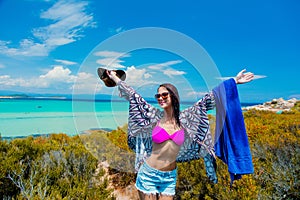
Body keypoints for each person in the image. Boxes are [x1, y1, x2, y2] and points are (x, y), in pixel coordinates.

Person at [105, 69, 254, 200]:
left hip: (169, 177)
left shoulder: (187, 118)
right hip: (148, 174)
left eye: (164, 94)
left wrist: (234, 81)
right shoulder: (153, 116)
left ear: (173, 96)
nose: (160, 98)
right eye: (158, 95)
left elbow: (210, 98)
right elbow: (133, 96)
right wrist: (114, 78)